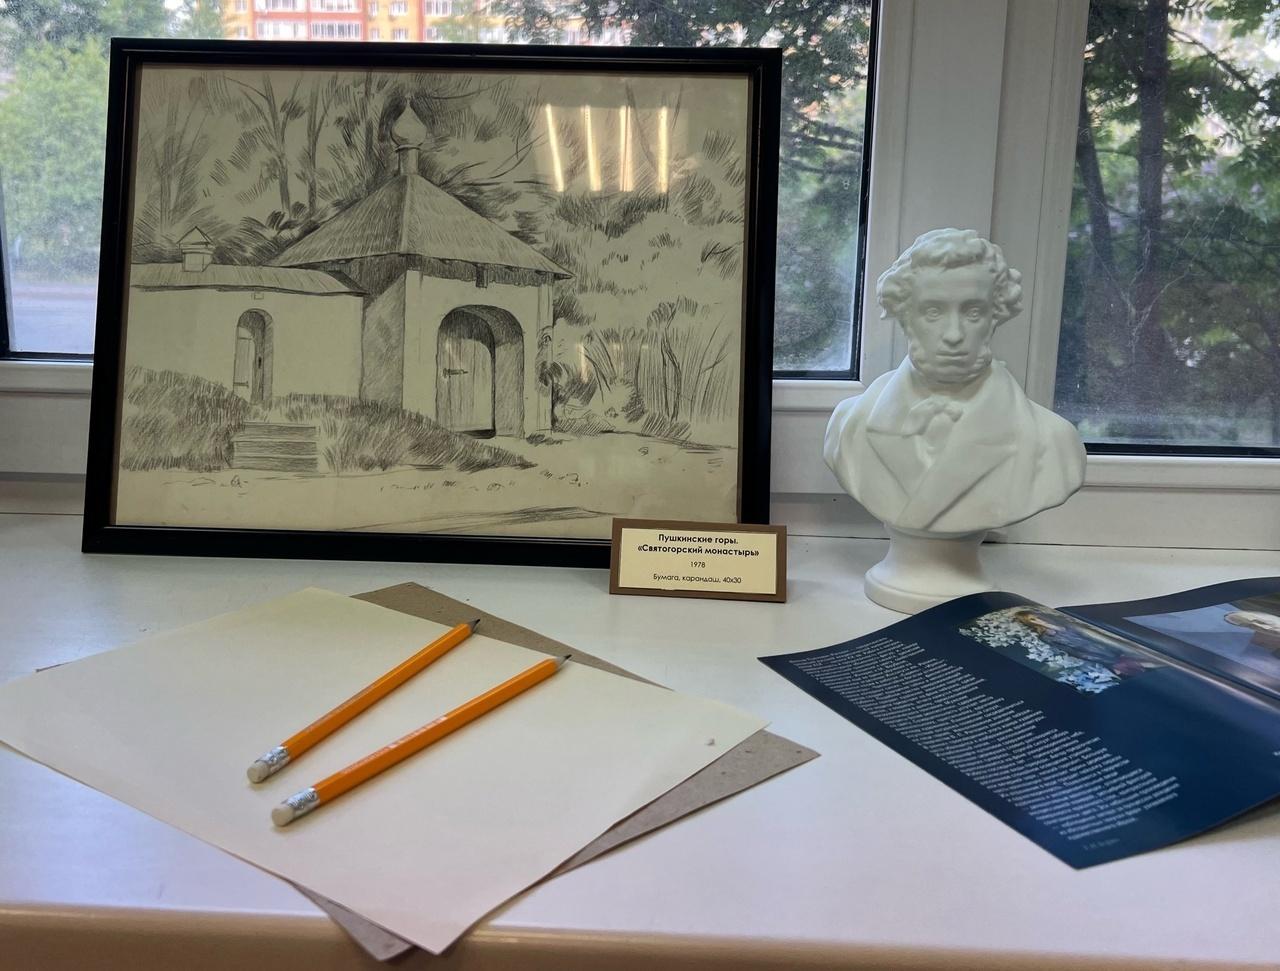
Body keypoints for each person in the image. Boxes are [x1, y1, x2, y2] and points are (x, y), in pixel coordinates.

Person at [824, 229, 1086, 535]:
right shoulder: (849, 425)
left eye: (973, 313)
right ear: (905, 316)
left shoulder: (1053, 441)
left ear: (996, 316)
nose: (953, 335)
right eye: (933, 312)